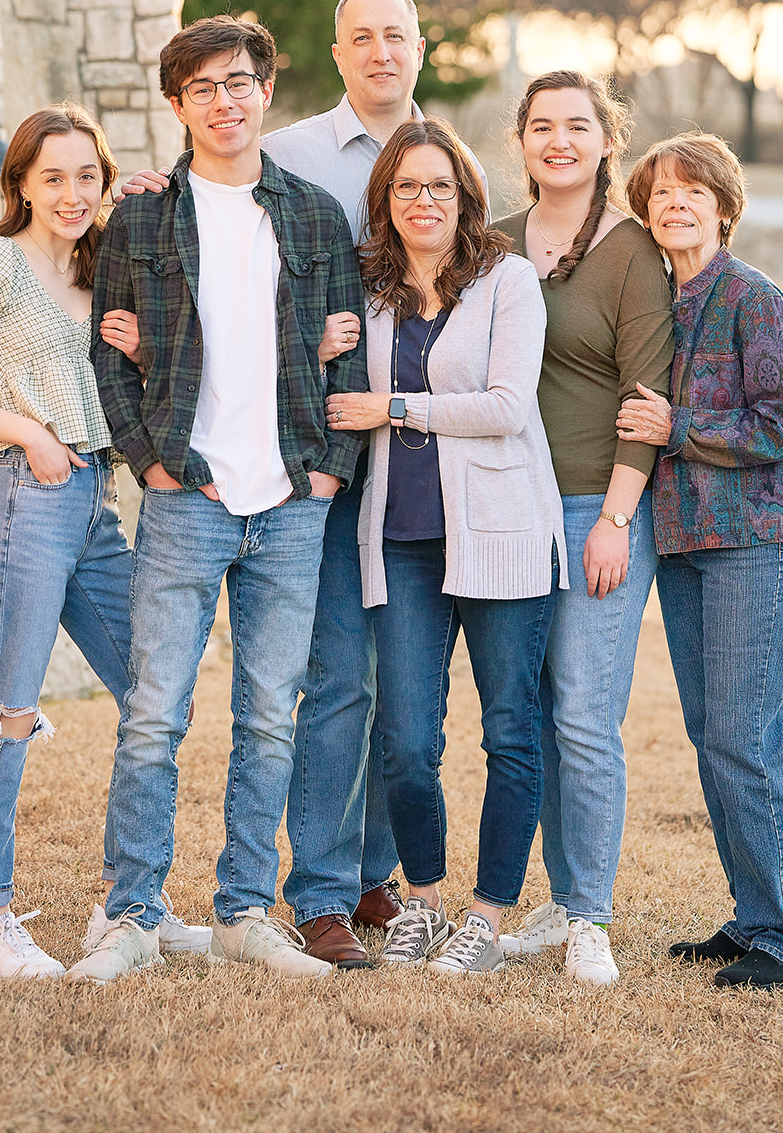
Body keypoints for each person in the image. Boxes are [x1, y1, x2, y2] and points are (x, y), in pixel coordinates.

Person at [118, 0, 487, 970]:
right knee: (324, 681)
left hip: (404, 459)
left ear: (418, 47)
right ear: (333, 54)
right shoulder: (290, 156)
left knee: (394, 689)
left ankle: (371, 873)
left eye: (394, 36)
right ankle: (318, 887)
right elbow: (209, 190)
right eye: (359, 37)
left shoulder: (450, 160)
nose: (378, 52)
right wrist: (137, 189)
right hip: (302, 452)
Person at [64, 15, 367, 985]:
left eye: (239, 83)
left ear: (264, 90)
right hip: (186, 494)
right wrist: (148, 459)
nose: (225, 101)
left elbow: (347, 345)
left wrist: (325, 469)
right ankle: (130, 914)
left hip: (288, 498)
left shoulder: (316, 215)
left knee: (268, 715)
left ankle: (242, 910)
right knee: (153, 712)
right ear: (177, 105)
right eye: (202, 88)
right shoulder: (142, 219)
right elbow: (108, 356)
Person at [0, 101, 209, 980]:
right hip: (26, 495)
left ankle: (131, 905)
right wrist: (33, 434)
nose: (73, 192)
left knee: (157, 694)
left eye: (89, 174)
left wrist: (166, 199)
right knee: (8, 713)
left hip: (97, 509)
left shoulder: (102, 270)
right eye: (53, 177)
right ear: (21, 184)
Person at [327, 118, 567, 975]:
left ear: (466, 194)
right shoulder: (371, 290)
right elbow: (329, 377)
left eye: (440, 186)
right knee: (403, 737)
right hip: (400, 539)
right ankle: (421, 898)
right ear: (385, 201)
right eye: (406, 187)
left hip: (502, 534)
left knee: (509, 731)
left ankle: (489, 919)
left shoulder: (508, 280)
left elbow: (507, 406)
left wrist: (395, 408)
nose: (423, 201)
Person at [617, 132, 783, 990]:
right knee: (715, 738)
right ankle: (751, 917)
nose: (674, 204)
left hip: (757, 548)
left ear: (723, 207)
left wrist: (679, 430)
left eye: (691, 191)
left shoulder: (753, 299)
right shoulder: (663, 304)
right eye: (660, 193)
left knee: (744, 735)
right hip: (686, 548)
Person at [491, 71, 674, 986]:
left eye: (577, 126)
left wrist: (613, 519)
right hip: (506, 511)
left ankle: (591, 918)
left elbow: (649, 399)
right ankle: (561, 906)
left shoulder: (635, 252)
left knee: (585, 714)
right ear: (521, 142)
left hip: (596, 508)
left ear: (607, 139)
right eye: (540, 127)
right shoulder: (492, 241)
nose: (558, 141)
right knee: (532, 713)